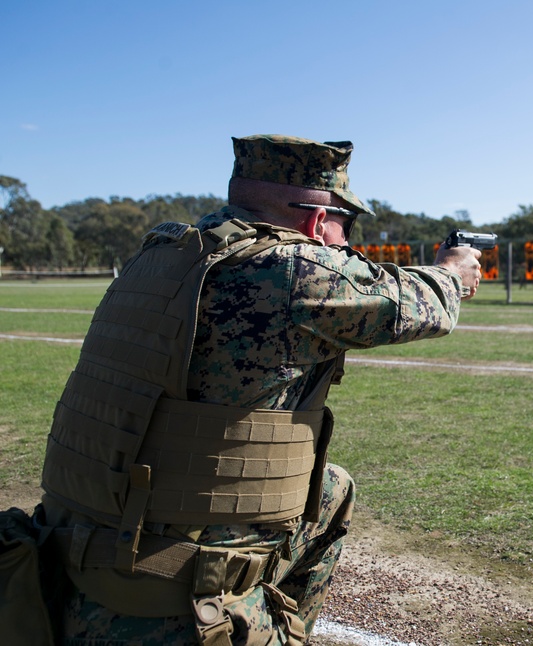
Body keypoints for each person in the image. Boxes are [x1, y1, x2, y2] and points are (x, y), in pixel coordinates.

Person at [36, 134, 482, 645]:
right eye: (345, 225)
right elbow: (426, 306)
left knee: (331, 486)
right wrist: (451, 271)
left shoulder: (159, 254)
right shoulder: (293, 270)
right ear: (319, 220)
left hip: (64, 558)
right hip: (168, 600)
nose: (344, 241)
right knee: (328, 492)